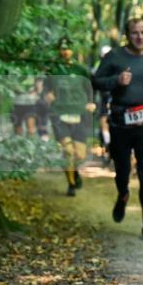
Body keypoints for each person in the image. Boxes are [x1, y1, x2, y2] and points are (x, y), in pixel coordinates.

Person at [92, 19, 143, 240]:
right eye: (135, 33)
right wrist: (116, 80)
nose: (139, 37)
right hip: (120, 123)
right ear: (127, 35)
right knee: (122, 172)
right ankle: (123, 194)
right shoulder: (114, 57)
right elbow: (95, 81)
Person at [44, 37, 96, 196]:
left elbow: (90, 89)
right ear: (59, 50)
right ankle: (71, 184)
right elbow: (46, 90)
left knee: (79, 154)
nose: (65, 51)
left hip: (80, 115)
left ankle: (74, 172)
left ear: (73, 50)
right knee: (68, 151)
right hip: (60, 114)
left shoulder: (81, 70)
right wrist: (48, 96)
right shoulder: (53, 70)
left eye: (68, 48)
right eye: (62, 48)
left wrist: (91, 103)